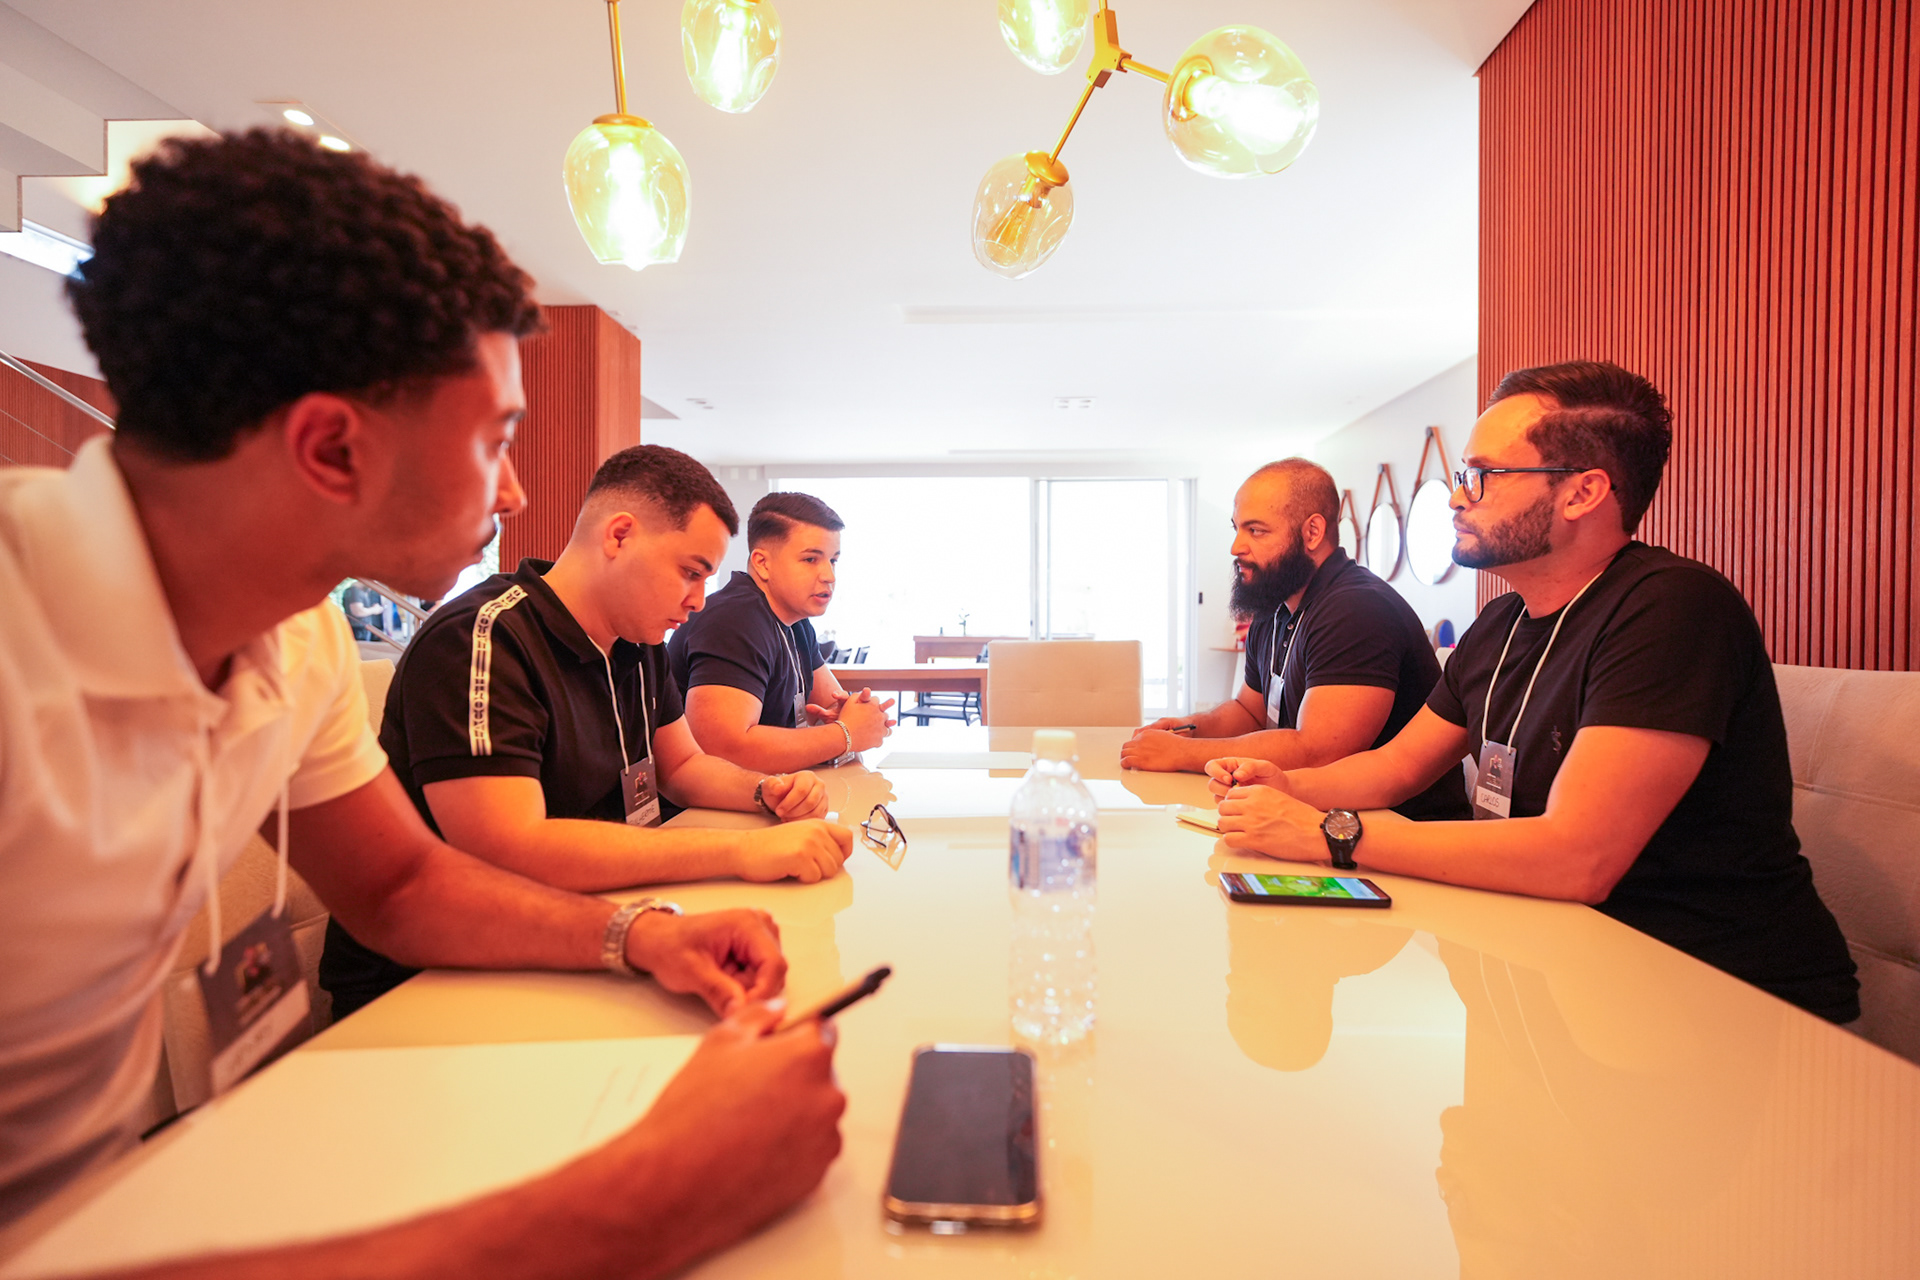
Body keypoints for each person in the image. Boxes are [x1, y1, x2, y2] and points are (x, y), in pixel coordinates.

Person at [0, 128, 844, 1269]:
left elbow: (400, 883)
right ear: (332, 449)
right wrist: (647, 1196)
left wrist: (640, 936)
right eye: (494, 439)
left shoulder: (294, 634)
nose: (516, 491)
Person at [1207, 361, 1859, 1022]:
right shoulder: (1502, 622)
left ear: (1581, 493)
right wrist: (1284, 788)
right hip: (1556, 967)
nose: (1458, 498)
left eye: (1483, 475)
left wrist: (1334, 834)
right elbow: (1395, 767)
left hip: (1714, 999)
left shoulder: (1672, 609)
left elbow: (1577, 858)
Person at [321, 448, 856, 1017]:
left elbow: (682, 766)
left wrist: (766, 791)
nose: (699, 600)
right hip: (437, 980)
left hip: (591, 921)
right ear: (620, 536)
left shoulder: (640, 643)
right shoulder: (485, 639)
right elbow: (510, 848)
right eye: (690, 572)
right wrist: (742, 850)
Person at [1122, 458, 1468, 822]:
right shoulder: (1273, 603)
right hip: (1311, 813)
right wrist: (1187, 731)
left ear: (1312, 532)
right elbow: (1250, 711)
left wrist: (1181, 755)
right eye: (1237, 529)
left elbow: (1319, 752)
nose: (1236, 546)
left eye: (1256, 531)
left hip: (1394, 828)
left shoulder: (1356, 609)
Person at [668, 491, 894, 773]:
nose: (829, 576)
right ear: (763, 563)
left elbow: (834, 703)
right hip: (702, 801)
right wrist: (845, 734)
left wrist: (854, 716)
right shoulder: (734, 619)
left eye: (833, 560)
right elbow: (721, 749)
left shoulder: (796, 621)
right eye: (810, 559)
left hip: (775, 788)